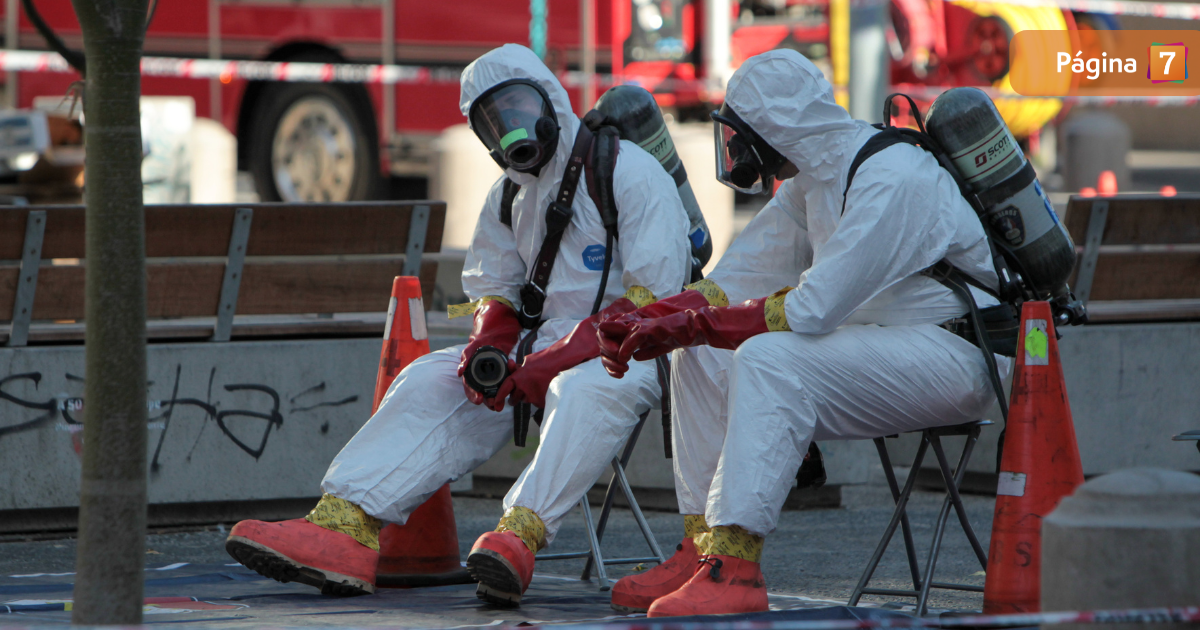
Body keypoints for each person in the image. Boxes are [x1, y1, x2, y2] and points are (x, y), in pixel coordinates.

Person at [224, 44, 691, 607]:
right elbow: (494, 288)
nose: (511, 130)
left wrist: (550, 363)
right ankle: (343, 528)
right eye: (493, 122)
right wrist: (487, 346)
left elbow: (651, 307)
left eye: (518, 109)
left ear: (549, 99)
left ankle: (518, 538)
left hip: (628, 355)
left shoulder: (630, 174)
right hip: (538, 351)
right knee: (427, 378)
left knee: (582, 388)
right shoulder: (508, 195)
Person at [597, 49, 1012, 617]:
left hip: (962, 352)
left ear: (776, 128)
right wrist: (654, 319)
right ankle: (701, 550)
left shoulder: (893, 176)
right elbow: (736, 280)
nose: (737, 152)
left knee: (769, 359)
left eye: (742, 137)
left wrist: (686, 322)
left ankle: (735, 569)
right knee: (697, 352)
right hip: (894, 343)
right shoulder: (813, 178)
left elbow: (813, 309)